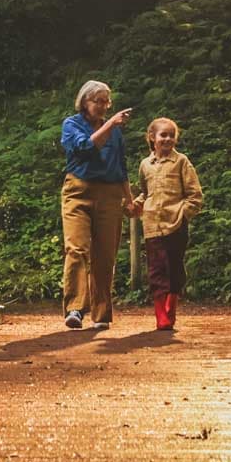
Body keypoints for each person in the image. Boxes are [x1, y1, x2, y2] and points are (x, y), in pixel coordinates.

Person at [60, 80, 135, 330]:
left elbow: (121, 167)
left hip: (111, 193)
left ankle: (101, 313)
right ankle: (75, 308)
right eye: (98, 101)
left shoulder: (115, 132)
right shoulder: (71, 124)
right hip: (78, 191)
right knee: (76, 248)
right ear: (85, 102)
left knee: (105, 255)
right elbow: (84, 148)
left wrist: (130, 198)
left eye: (106, 101)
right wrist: (112, 123)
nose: (103, 106)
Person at [131, 117, 203, 331]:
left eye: (172, 135)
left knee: (174, 268)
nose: (168, 139)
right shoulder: (145, 165)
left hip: (176, 224)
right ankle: (160, 314)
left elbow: (195, 195)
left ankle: (172, 304)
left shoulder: (181, 161)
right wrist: (136, 204)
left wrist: (183, 214)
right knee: (156, 269)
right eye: (163, 135)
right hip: (152, 225)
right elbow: (146, 192)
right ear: (152, 138)